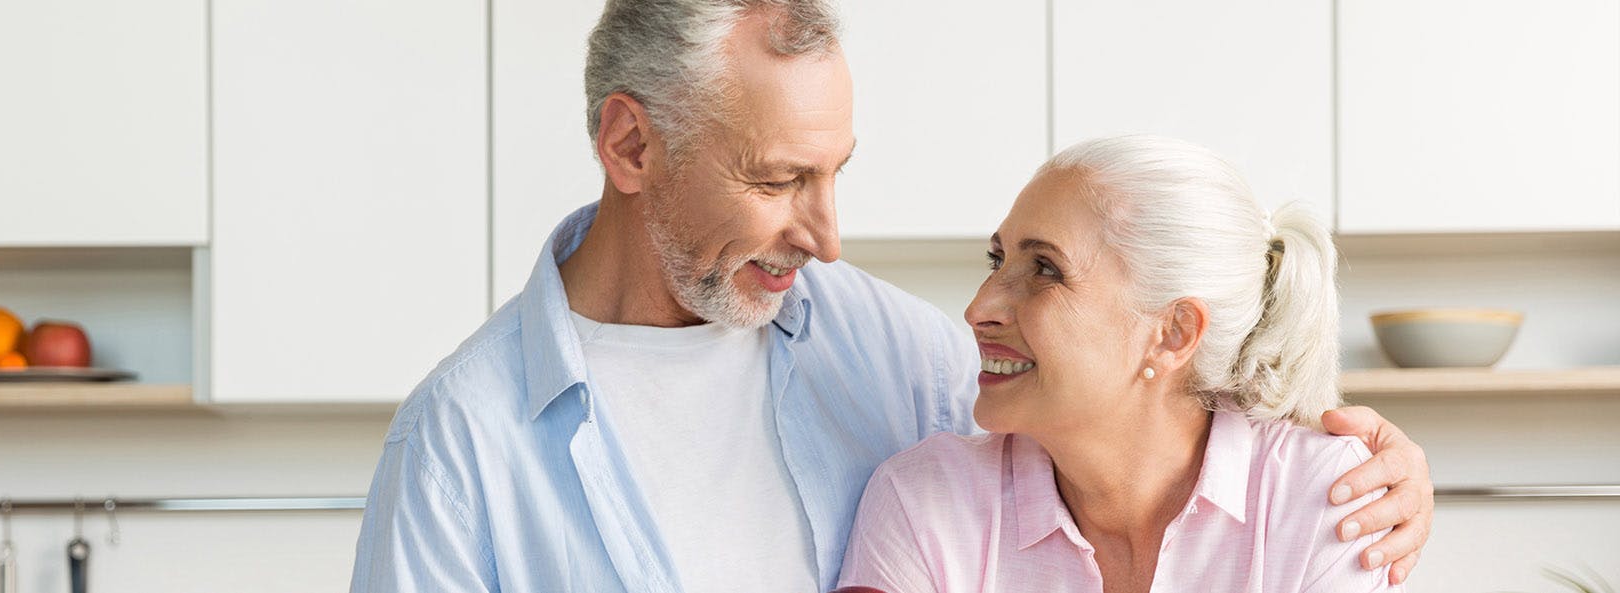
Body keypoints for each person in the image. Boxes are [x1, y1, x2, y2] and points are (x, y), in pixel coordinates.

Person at [350, 2, 1434, 591]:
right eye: (778, 180)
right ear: (632, 145)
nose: (825, 236)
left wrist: (1377, 467)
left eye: (835, 174)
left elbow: (1118, 408)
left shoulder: (888, 348)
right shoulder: (461, 444)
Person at [838, 135, 1402, 592]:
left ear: (1173, 333)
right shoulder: (924, 500)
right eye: (997, 259)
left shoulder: (1323, 495)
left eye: (1045, 270)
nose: (979, 308)